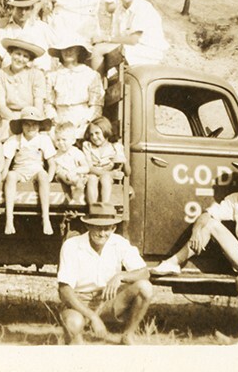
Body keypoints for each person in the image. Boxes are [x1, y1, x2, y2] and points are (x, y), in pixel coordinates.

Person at [151, 153, 238, 345]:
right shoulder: (236, 198)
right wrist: (197, 231)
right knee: (209, 224)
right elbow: (207, 214)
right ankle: (174, 263)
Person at [57, 202, 153, 345]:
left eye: (107, 228)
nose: (102, 233)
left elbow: (144, 272)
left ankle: (128, 336)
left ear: (113, 228)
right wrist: (93, 317)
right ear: (88, 226)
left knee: (145, 287)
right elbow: (64, 290)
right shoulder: (72, 245)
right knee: (74, 324)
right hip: (79, 301)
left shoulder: (119, 243)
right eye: (97, 228)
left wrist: (121, 276)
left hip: (107, 300)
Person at [90, 0, 168, 73]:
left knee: (97, 51)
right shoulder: (119, 9)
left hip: (147, 50)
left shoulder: (143, 8)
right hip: (129, 48)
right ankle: (103, 83)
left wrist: (105, 39)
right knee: (94, 49)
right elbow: (117, 36)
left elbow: (133, 40)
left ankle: (97, 86)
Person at [0, 107, 56, 236]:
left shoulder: (44, 140)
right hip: (19, 171)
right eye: (27, 124)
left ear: (40, 125)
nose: (31, 127)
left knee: (43, 174)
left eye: (34, 124)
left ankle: (46, 218)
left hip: (37, 171)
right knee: (11, 175)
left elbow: (51, 164)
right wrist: (2, 178)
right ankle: (9, 218)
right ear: (21, 125)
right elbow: (6, 163)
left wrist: (49, 179)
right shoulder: (14, 140)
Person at [46, 36, 103, 137]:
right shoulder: (52, 75)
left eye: (72, 49)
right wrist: (54, 118)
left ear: (79, 51)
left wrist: (85, 120)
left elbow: (96, 105)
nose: (68, 52)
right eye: (64, 49)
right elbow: (47, 102)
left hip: (83, 120)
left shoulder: (91, 75)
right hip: (60, 119)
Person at [0, 0, 55, 71]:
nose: (23, 12)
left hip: (40, 76)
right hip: (10, 78)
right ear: (13, 8)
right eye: (20, 8)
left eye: (27, 8)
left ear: (32, 8)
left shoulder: (42, 27)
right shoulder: (4, 29)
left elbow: (58, 48)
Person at [0, 38, 47, 122]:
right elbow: (1, 106)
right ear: (11, 53)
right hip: (8, 118)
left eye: (25, 56)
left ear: (29, 59)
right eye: (18, 54)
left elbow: (38, 106)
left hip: (32, 118)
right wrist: (17, 122)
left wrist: (29, 121)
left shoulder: (37, 75)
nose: (20, 59)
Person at [83, 117, 126, 205]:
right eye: (91, 134)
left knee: (105, 178)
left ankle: (104, 206)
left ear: (106, 131)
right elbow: (89, 167)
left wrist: (124, 161)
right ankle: (93, 208)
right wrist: (109, 173)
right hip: (92, 174)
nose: (94, 137)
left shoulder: (115, 147)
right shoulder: (88, 146)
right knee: (92, 178)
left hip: (107, 178)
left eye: (97, 133)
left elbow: (127, 171)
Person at [51, 122, 89, 205]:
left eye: (64, 139)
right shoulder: (55, 154)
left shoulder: (76, 152)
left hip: (74, 176)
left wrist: (75, 171)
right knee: (60, 173)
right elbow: (53, 169)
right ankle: (74, 192)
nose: (60, 143)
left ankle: (76, 193)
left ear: (73, 140)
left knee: (80, 179)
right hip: (61, 178)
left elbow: (86, 167)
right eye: (58, 140)